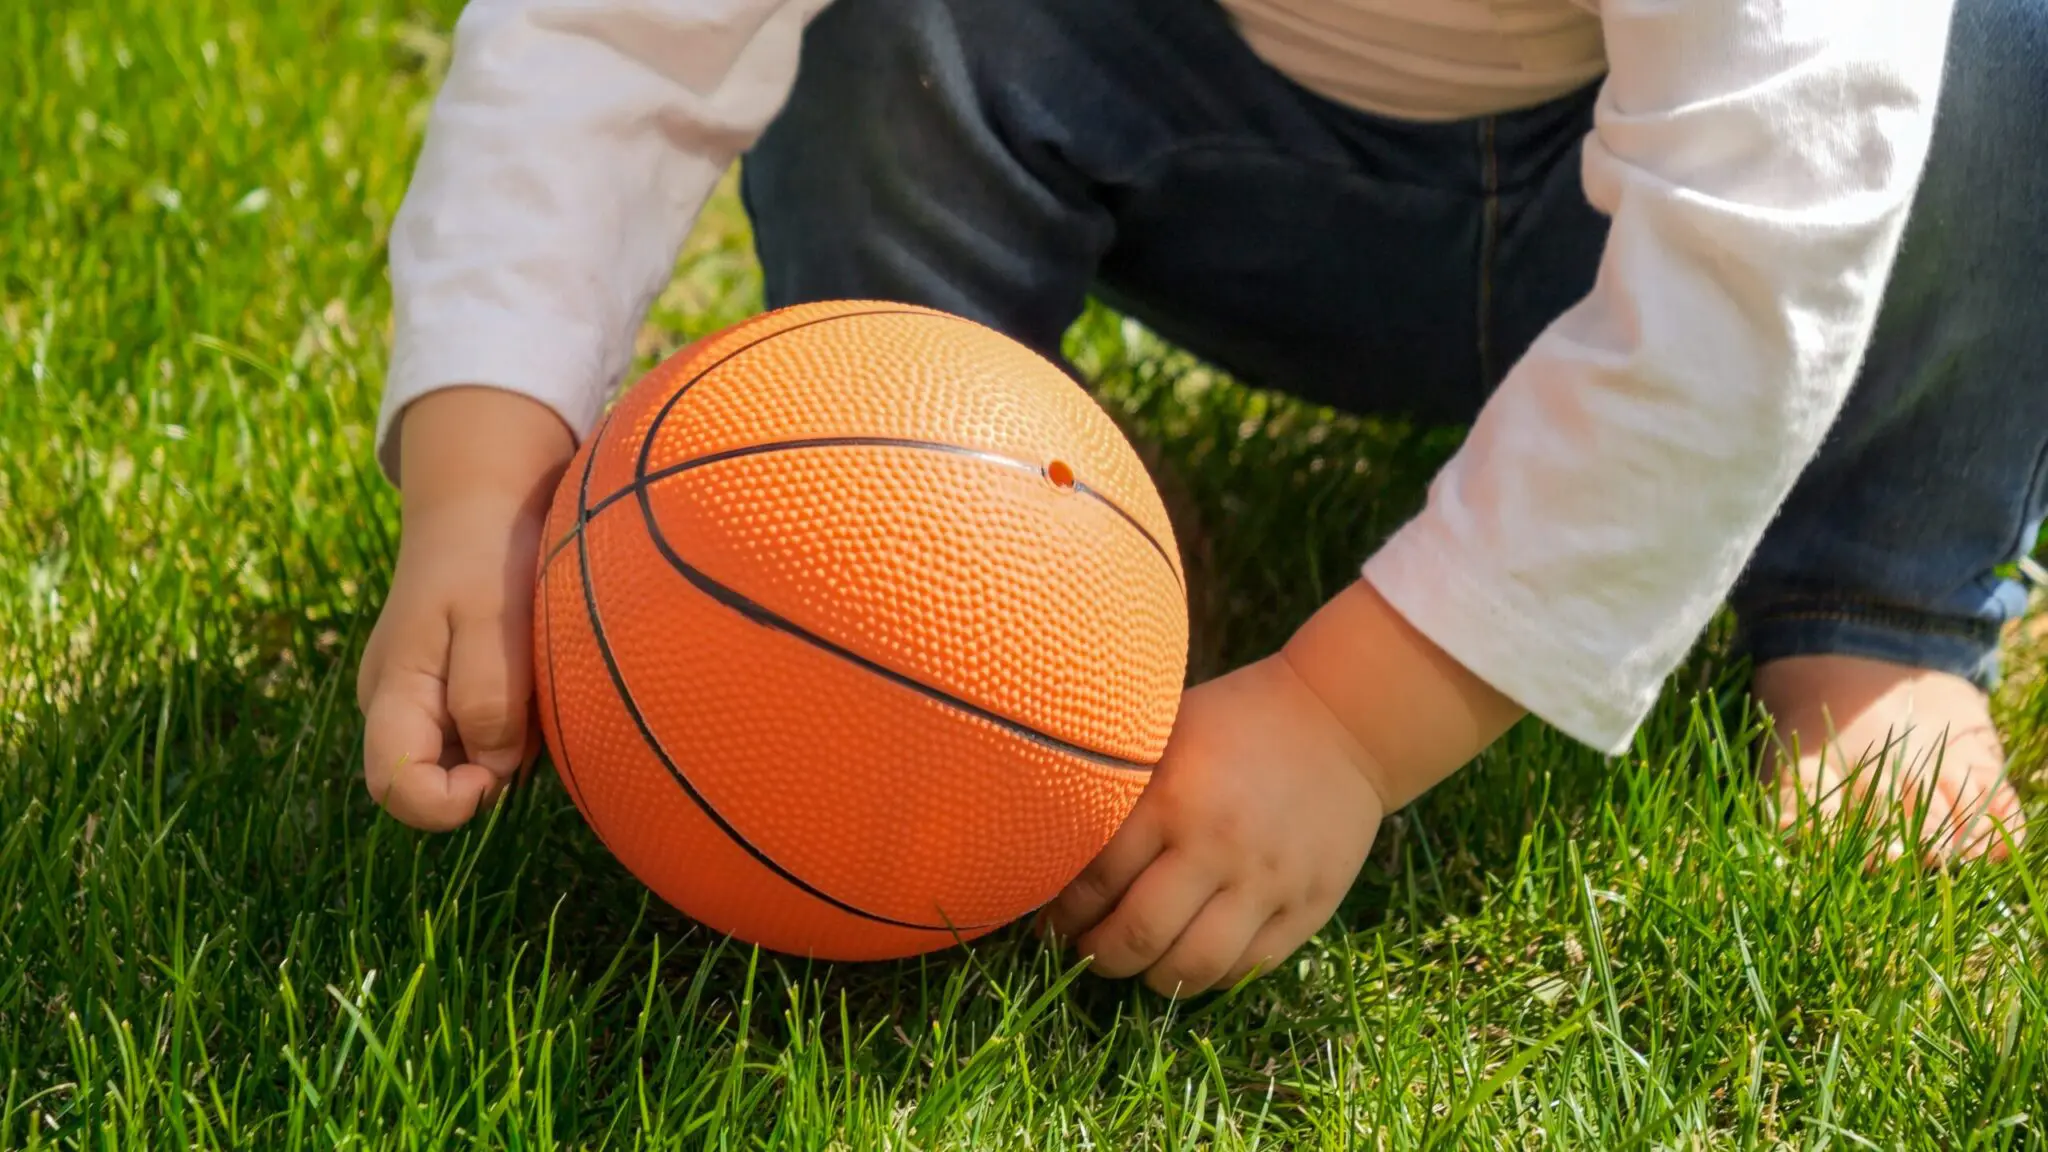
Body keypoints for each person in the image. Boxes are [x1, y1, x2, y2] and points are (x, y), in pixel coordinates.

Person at [357, 0, 2047, 996]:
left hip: (1692, 212)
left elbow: (1773, 224)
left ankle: (1875, 604)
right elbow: (609, 23)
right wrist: (482, 469)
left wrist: (1349, 722)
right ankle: (930, 572)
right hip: (1214, 144)